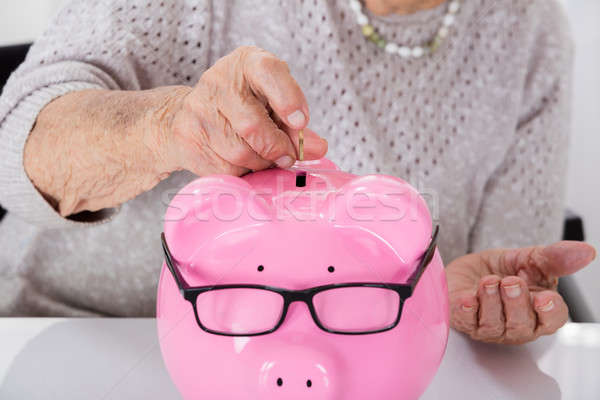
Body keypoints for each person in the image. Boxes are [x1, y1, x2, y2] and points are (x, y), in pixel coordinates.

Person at [0, 0, 595, 344]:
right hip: (81, 336)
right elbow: (18, 152)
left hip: (363, 360)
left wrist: (452, 301)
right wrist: (165, 126)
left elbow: (496, 264)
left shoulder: (531, 30)